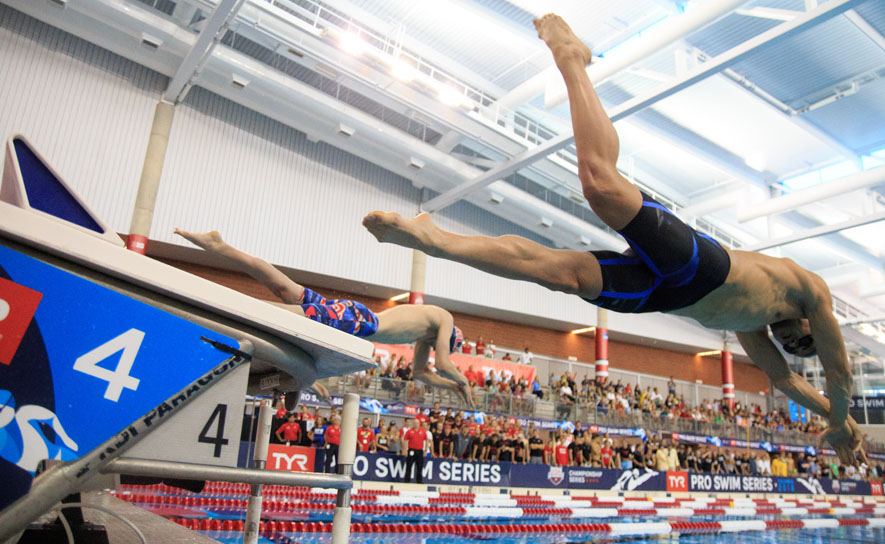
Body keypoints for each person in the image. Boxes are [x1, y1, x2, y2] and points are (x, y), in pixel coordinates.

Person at [362, 13, 864, 466]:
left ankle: (437, 240)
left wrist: (835, 419)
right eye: (805, 340)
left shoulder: (754, 326)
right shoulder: (807, 287)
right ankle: (572, 58)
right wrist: (842, 415)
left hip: (664, 296)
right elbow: (840, 374)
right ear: (815, 325)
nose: (792, 342)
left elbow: (784, 379)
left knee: (564, 276)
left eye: (794, 346)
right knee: (601, 185)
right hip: (701, 266)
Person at [174, 229, 474, 407]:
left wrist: (451, 387)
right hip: (357, 321)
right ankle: (221, 306)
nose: (438, 348)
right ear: (451, 337)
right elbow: (443, 364)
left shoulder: (425, 335)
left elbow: (422, 373)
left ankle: (221, 246)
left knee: (284, 288)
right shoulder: (443, 317)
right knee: (278, 314)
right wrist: (463, 380)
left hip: (354, 316)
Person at [403, 419, 429, 484]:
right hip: (411, 450)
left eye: (417, 423)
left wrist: (425, 450)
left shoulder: (423, 431)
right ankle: (407, 480)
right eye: (414, 423)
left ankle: (419, 480)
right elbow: (405, 440)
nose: (416, 424)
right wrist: (405, 450)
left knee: (420, 466)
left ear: (419, 424)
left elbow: (427, 440)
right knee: (409, 465)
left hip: (419, 451)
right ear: (413, 424)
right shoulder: (409, 431)